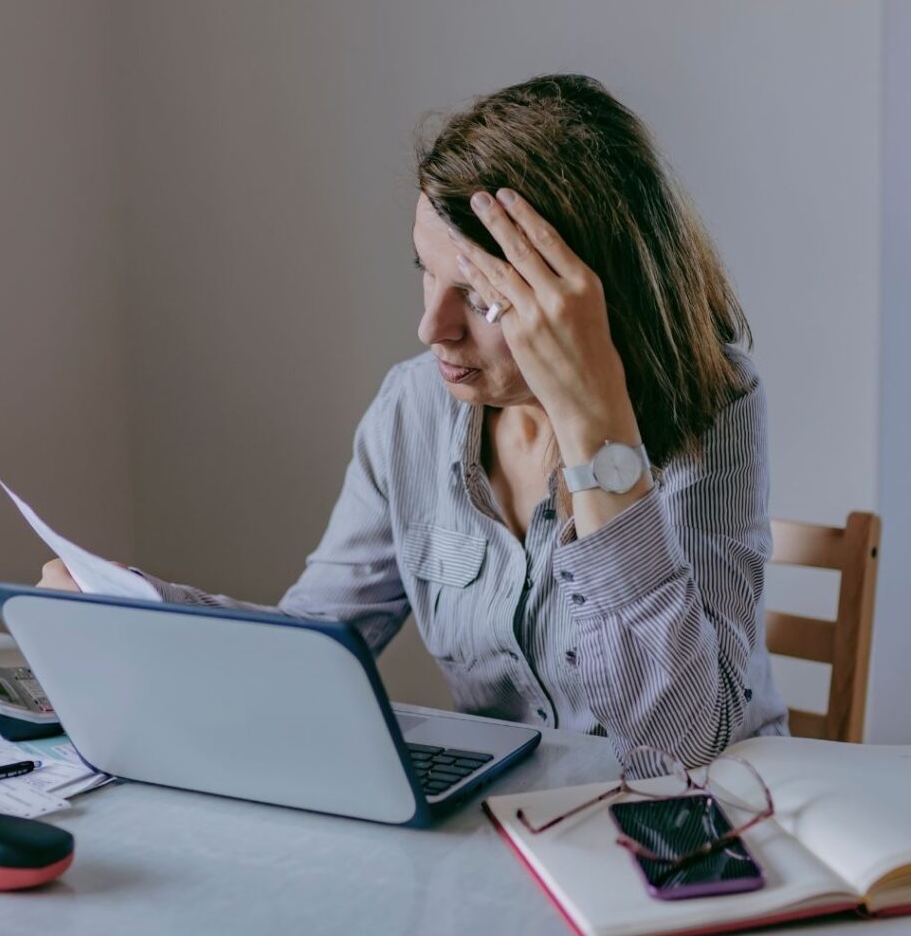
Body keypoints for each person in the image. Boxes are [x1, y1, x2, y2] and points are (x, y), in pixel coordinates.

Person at [40, 73, 789, 769]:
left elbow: (681, 744)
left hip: (710, 816)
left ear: (587, 303)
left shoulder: (714, 404)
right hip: (516, 826)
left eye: (480, 297)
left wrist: (596, 428)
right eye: (426, 272)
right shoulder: (412, 409)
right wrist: (136, 604)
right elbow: (316, 649)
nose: (431, 327)